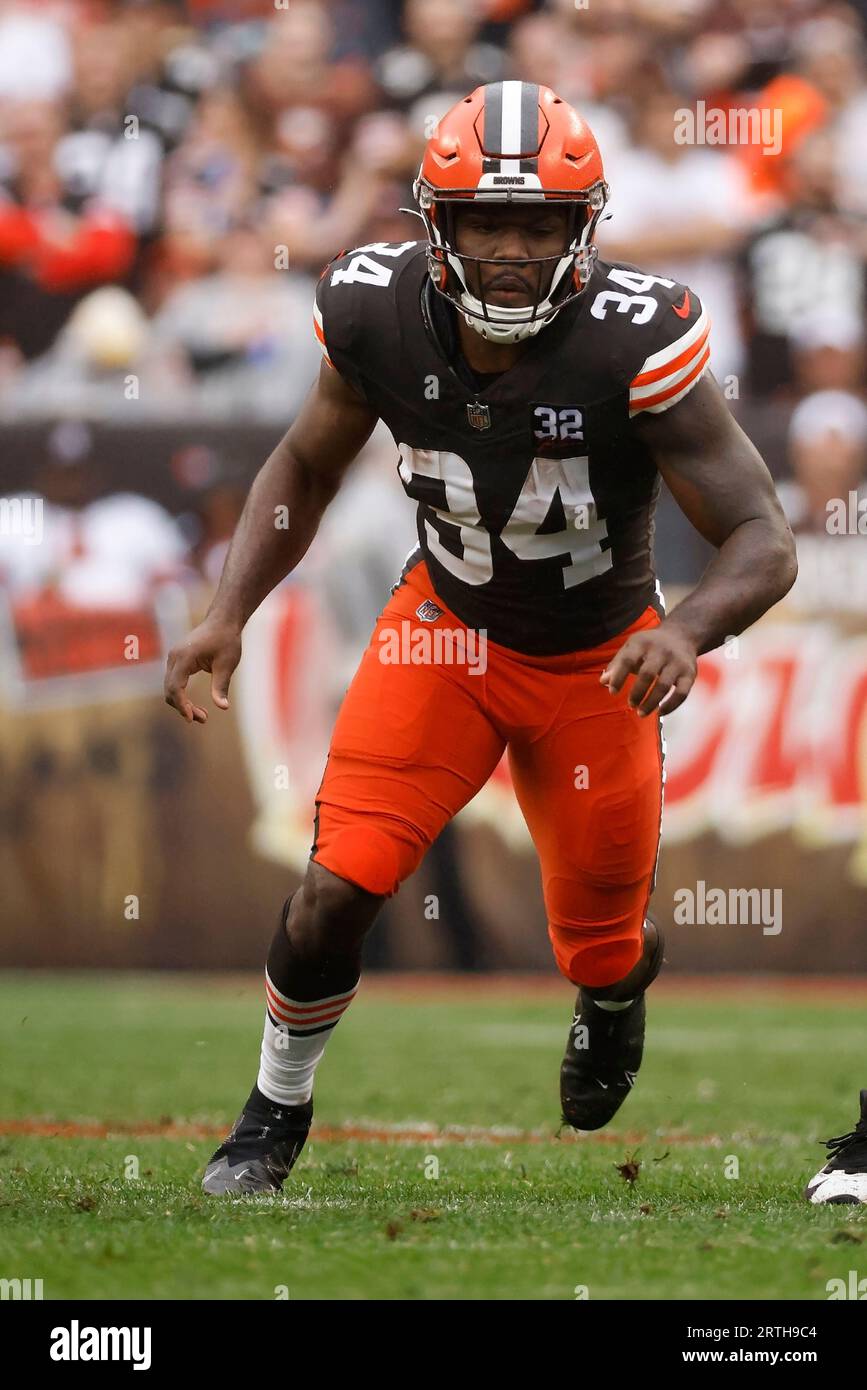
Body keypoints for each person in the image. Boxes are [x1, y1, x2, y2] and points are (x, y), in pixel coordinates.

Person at [164, 82, 798, 1197]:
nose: (511, 249)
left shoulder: (633, 339)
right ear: (436, 223)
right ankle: (271, 1113)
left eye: (539, 225)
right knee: (337, 884)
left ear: (581, 229)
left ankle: (608, 1002)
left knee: (606, 944)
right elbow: (306, 464)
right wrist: (226, 613)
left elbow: (763, 533)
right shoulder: (372, 309)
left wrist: (688, 630)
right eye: (487, 222)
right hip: (442, 635)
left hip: (598, 661)